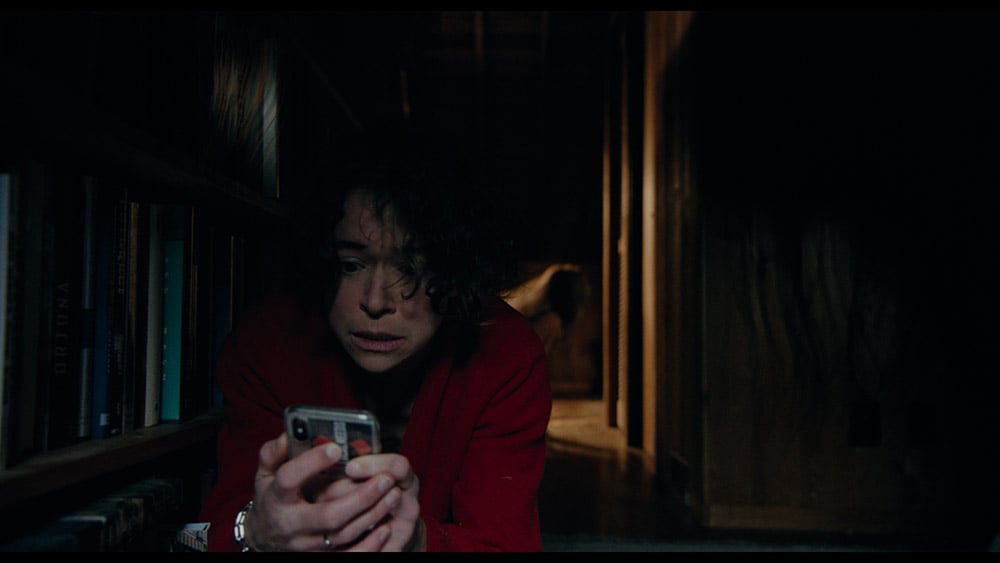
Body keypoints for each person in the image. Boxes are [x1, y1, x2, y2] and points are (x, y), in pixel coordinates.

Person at [197, 127, 553, 552]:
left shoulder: (505, 352)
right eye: (351, 265)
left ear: (455, 271)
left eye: (411, 269)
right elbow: (205, 533)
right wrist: (255, 532)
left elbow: (504, 542)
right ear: (320, 262)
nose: (375, 301)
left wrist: (418, 541)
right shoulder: (268, 340)